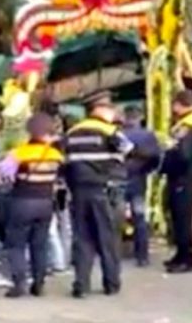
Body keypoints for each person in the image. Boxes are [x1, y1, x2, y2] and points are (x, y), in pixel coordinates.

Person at [0, 113, 64, 298]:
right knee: (40, 245)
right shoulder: (56, 155)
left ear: (29, 132)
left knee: (17, 244)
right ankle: (39, 284)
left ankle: (19, 283)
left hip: (22, 202)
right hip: (46, 204)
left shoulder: (19, 153)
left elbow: (2, 177)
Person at [63, 90, 133, 298]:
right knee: (107, 238)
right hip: (104, 190)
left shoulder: (71, 133)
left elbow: (64, 162)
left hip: (79, 191)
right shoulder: (110, 131)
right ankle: (111, 283)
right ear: (99, 109)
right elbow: (129, 151)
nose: (113, 112)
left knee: (82, 238)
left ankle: (81, 285)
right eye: (110, 108)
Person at [161, 90, 192, 274]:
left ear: (179, 104)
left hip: (184, 177)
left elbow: (184, 154)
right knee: (177, 217)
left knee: (183, 219)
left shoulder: (190, 124)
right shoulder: (185, 122)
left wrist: (169, 163)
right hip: (180, 177)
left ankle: (188, 258)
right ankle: (180, 254)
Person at [122, 106, 162, 266]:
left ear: (125, 117)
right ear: (140, 118)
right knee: (139, 217)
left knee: (113, 218)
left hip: (118, 180)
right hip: (138, 180)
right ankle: (142, 256)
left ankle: (113, 252)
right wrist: (145, 170)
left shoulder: (118, 134)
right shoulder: (148, 135)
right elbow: (156, 159)